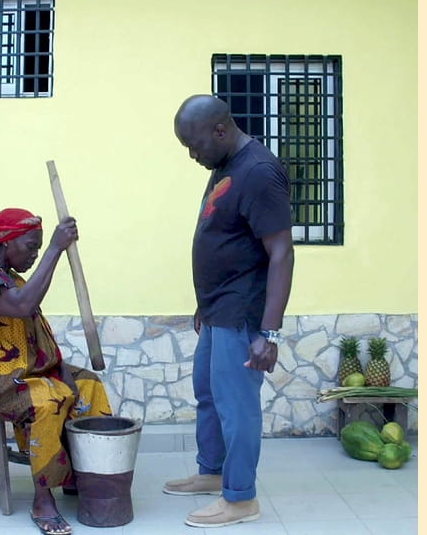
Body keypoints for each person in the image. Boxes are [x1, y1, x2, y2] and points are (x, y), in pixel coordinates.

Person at [0, 207, 111, 535]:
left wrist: (58, 369)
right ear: (6, 242)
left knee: (88, 385)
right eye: (31, 246)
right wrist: (57, 248)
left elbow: (34, 332)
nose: (35, 254)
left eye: (40, 247)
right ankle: (42, 499)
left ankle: (81, 475)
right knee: (49, 397)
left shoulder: (12, 279)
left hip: (14, 371)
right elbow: (20, 306)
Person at [163, 95, 295, 528]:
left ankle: (240, 499)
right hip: (218, 309)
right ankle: (213, 473)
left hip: (243, 313)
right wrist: (204, 301)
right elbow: (225, 239)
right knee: (208, 394)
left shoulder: (258, 172)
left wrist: (269, 334)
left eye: (194, 144)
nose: (191, 154)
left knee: (237, 406)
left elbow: (281, 254)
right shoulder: (224, 164)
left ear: (220, 130)